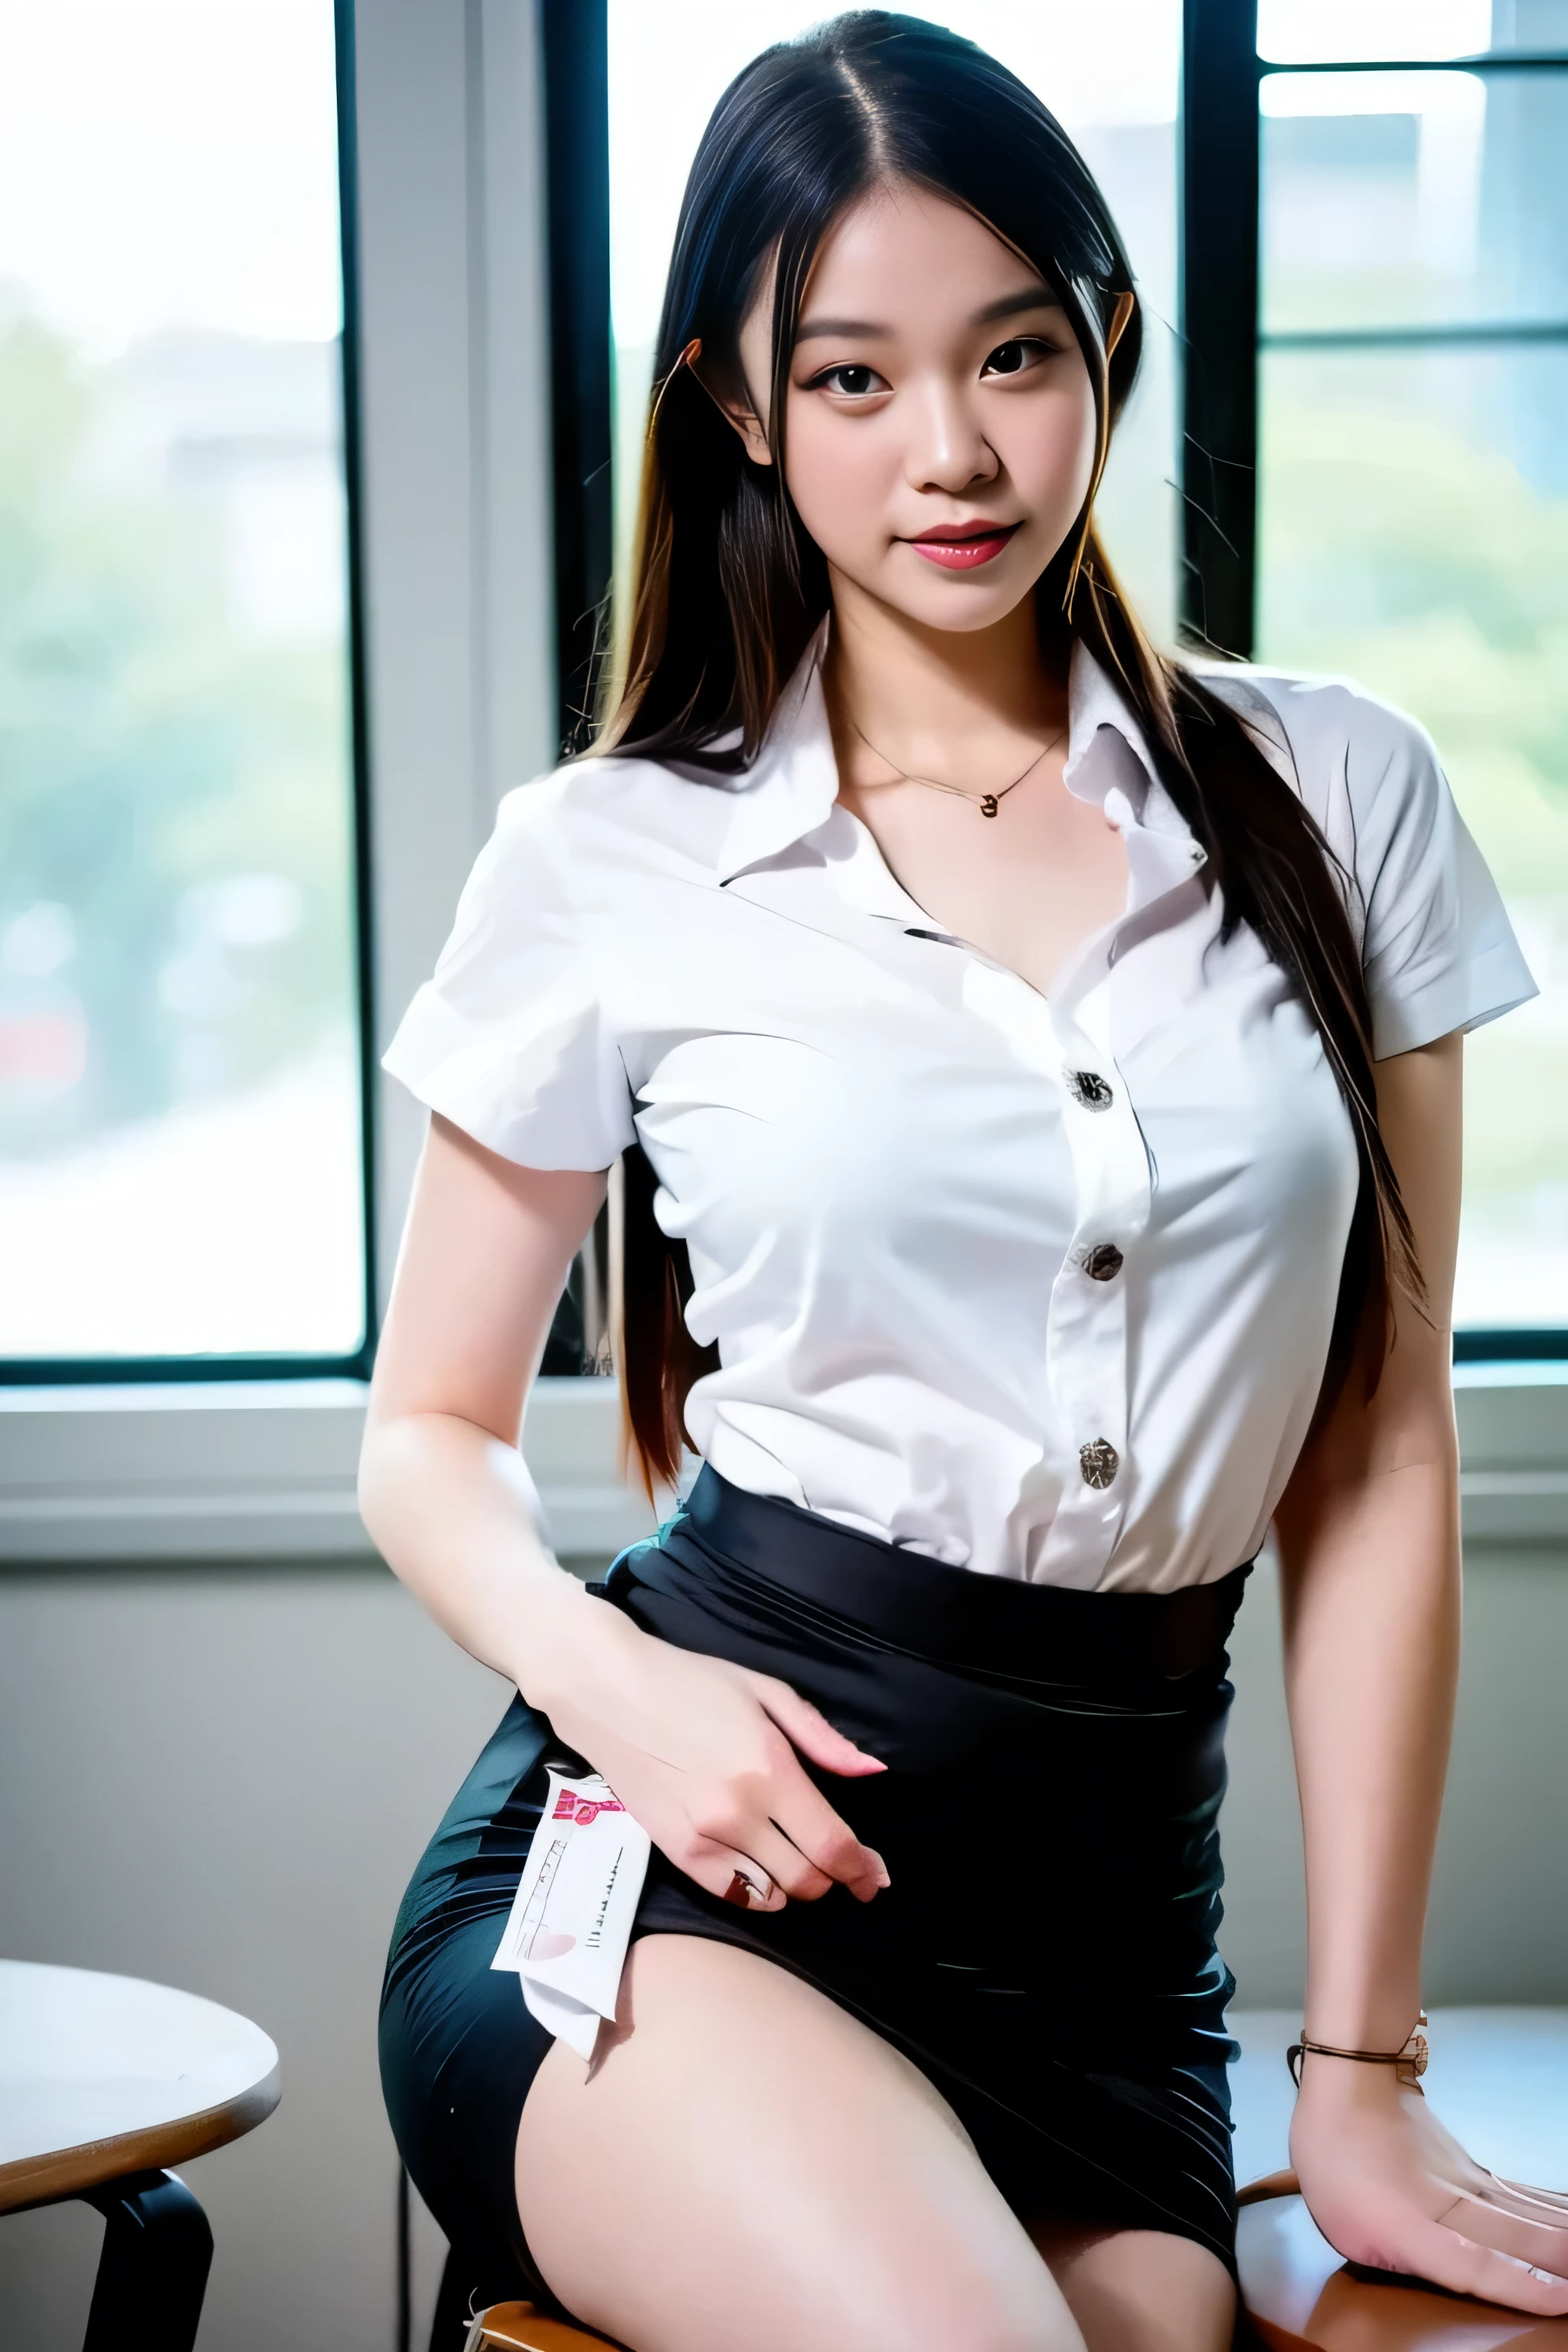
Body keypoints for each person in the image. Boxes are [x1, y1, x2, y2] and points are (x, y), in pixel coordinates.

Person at [360, 15, 1568, 2349]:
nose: (950, 451)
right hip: (689, 1868)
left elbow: (1385, 1443)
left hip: (1117, 1945)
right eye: (849, 379)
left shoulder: (1344, 793)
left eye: (1013, 352)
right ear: (736, 401)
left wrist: (1362, 2072)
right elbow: (426, 1441)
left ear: (1106, 336)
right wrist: (625, 1691)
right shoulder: (614, 857)